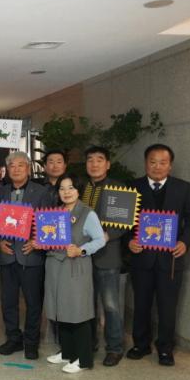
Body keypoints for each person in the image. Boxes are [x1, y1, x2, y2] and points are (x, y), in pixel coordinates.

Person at [126, 144, 190, 366]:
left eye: (162, 162)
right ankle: (141, 344)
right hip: (142, 258)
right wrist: (129, 241)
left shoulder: (182, 188)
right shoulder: (133, 187)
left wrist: (184, 242)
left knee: (168, 306)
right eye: (153, 162)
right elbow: (124, 221)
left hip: (171, 260)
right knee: (141, 304)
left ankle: (165, 348)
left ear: (170, 165)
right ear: (145, 163)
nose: (157, 166)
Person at [43, 173, 106, 373]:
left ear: (79, 191)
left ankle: (84, 359)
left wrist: (81, 250)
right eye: (62, 188)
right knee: (61, 309)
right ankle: (67, 353)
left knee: (78, 311)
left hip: (76, 267)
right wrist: (40, 242)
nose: (66, 192)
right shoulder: (56, 213)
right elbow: (49, 238)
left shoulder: (88, 213)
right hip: (55, 266)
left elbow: (100, 240)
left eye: (71, 188)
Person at [0, 151, 49, 360]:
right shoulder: (0, 191)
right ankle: (13, 339)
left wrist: (37, 242)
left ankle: (31, 342)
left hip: (31, 256)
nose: (16, 169)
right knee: (8, 301)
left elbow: (48, 222)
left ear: (28, 168)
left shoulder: (42, 192)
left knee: (33, 303)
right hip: (7, 255)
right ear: (7, 170)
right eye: (12, 166)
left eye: (21, 165)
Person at [80, 146, 128, 367]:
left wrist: (106, 237)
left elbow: (124, 221)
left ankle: (115, 348)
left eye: (99, 160)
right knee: (86, 303)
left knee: (110, 305)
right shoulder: (81, 188)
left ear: (108, 164)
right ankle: (89, 344)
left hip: (107, 256)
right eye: (90, 160)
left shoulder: (118, 188)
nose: (94, 164)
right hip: (83, 257)